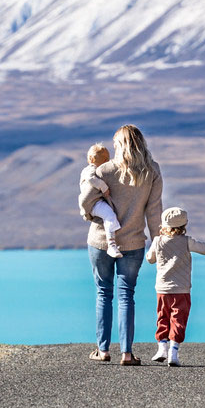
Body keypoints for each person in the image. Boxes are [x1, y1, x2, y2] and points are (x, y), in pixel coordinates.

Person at [79, 124, 163, 366]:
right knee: (127, 295)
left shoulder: (103, 170)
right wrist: (157, 243)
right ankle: (127, 353)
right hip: (134, 242)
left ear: (119, 145)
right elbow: (154, 212)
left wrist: (89, 216)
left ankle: (103, 350)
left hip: (99, 241)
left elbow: (86, 200)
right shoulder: (152, 171)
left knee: (103, 292)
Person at [146, 206, 205, 367]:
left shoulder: (158, 241)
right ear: (183, 226)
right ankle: (173, 351)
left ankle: (161, 347)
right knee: (178, 319)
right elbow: (204, 249)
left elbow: (149, 259)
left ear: (164, 225)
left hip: (162, 289)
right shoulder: (187, 241)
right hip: (181, 289)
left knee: (162, 317)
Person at [79, 143, 122, 258]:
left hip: (96, 202)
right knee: (110, 216)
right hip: (94, 203)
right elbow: (91, 178)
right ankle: (111, 245)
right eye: (105, 159)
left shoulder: (94, 169)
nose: (107, 162)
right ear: (92, 159)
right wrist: (104, 187)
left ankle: (112, 244)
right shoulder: (90, 170)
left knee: (109, 215)